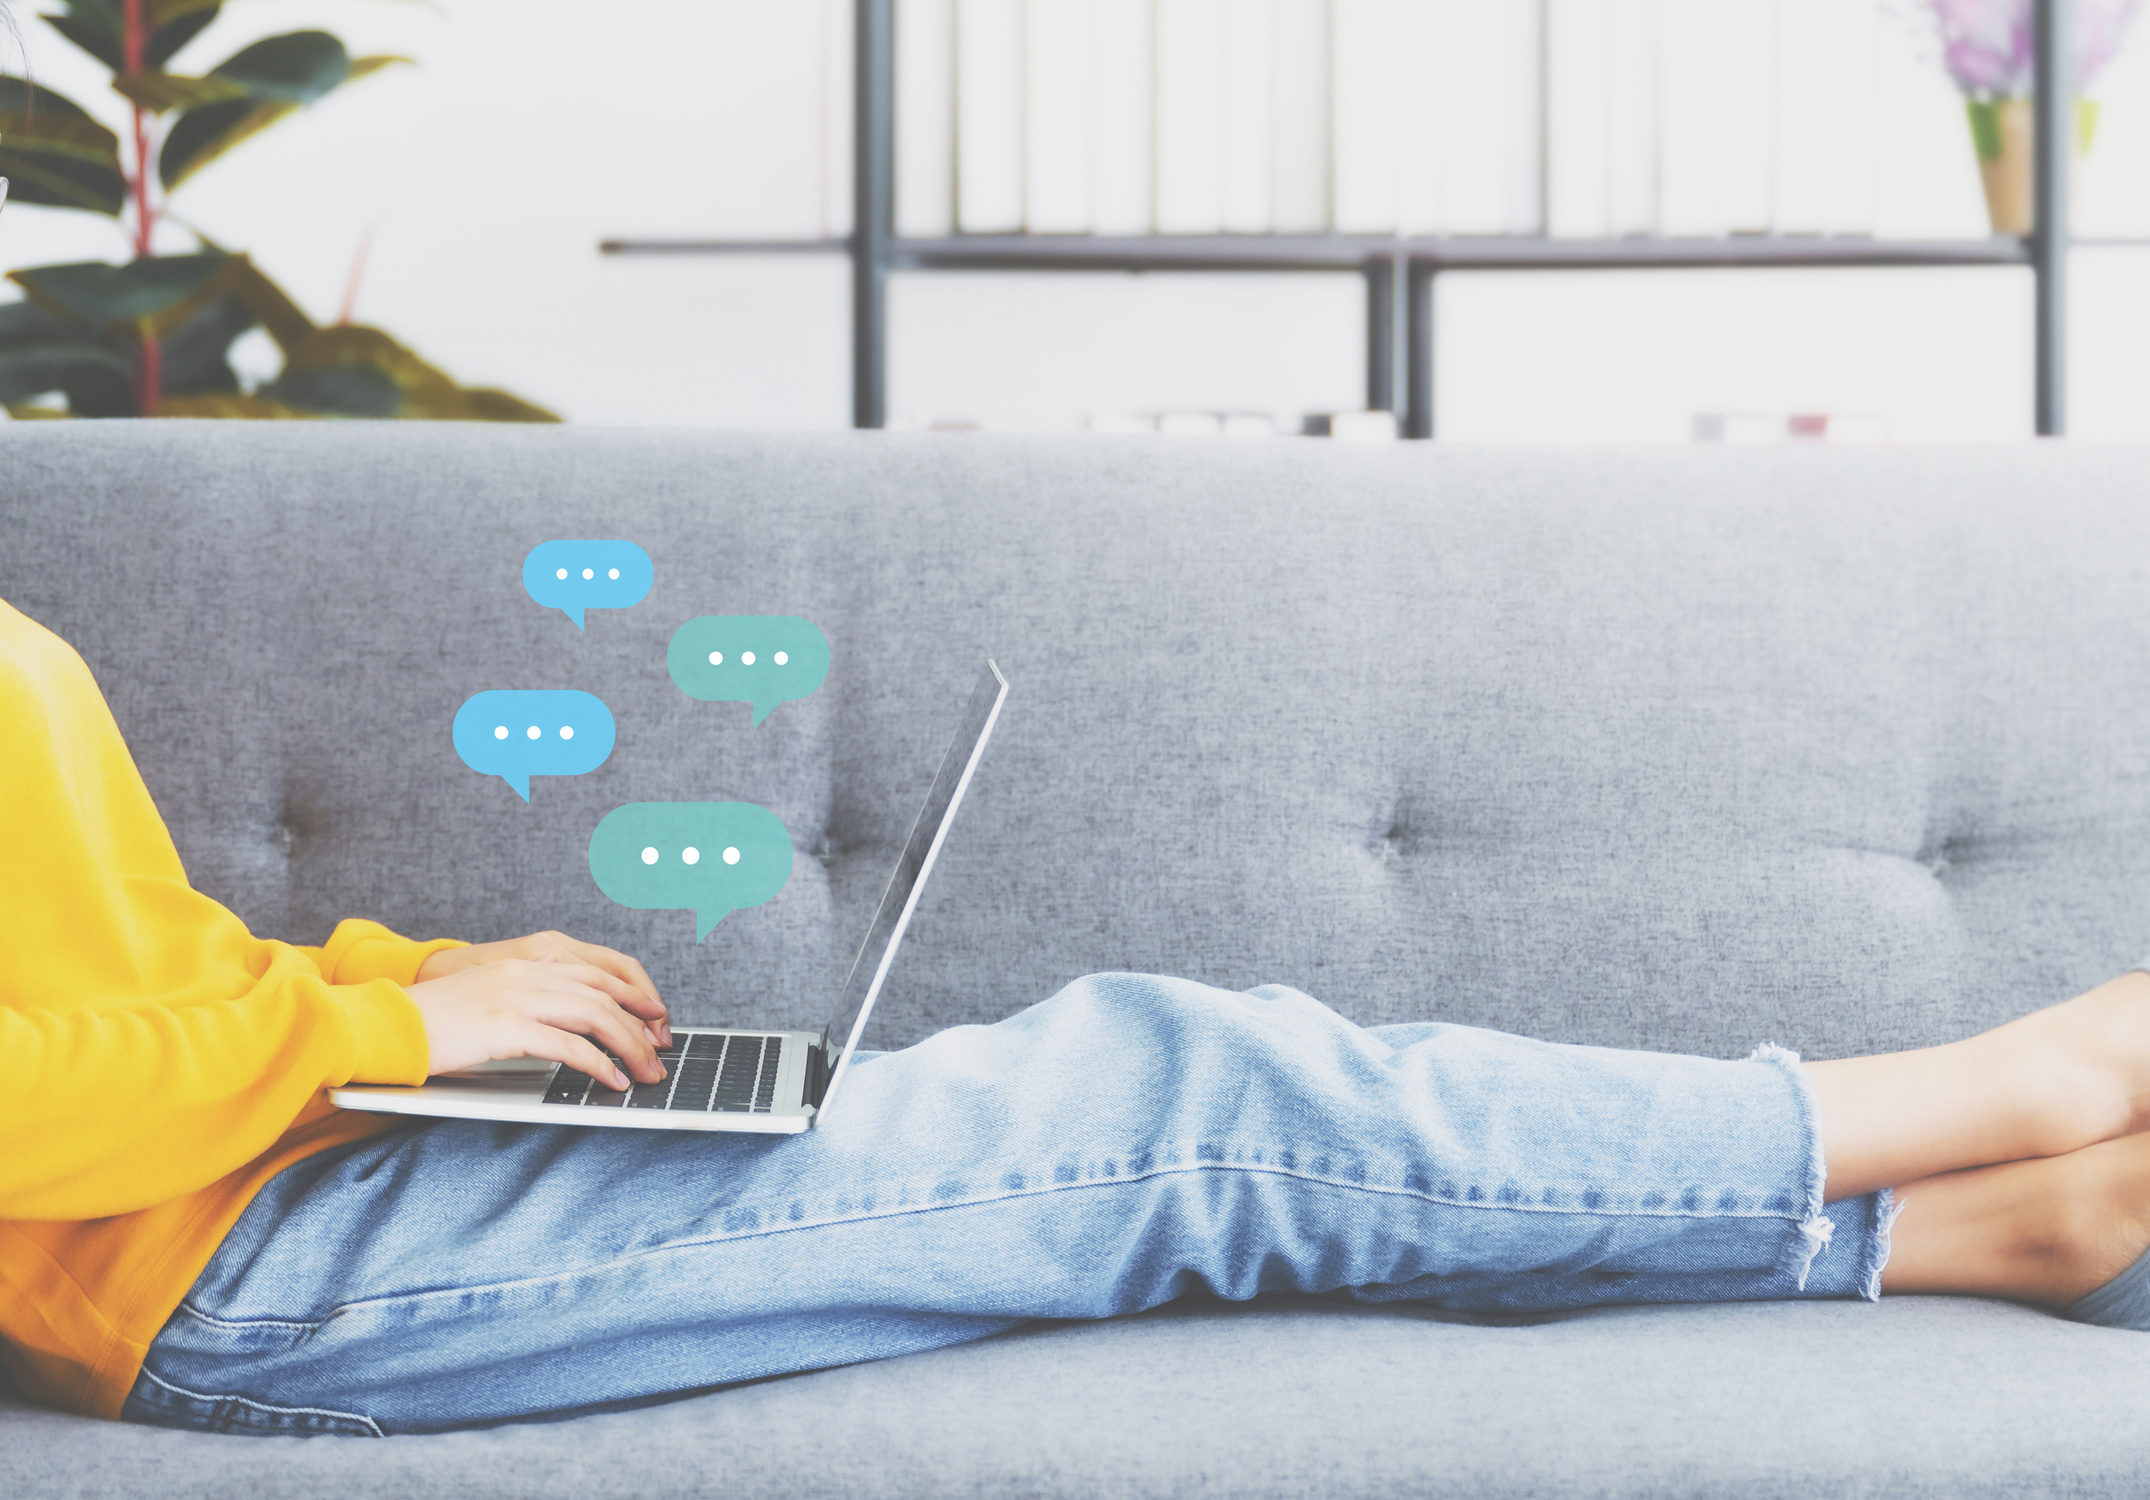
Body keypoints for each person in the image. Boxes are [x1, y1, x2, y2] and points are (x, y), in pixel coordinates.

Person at [9, 588, 2150, 1439]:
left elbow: (104, 958)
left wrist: (404, 988)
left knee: (1171, 1166)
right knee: (1190, 1103)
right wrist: (380, 1044)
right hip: (238, 1272)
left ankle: (1964, 1232)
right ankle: (2014, 1087)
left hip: (310, 1159)